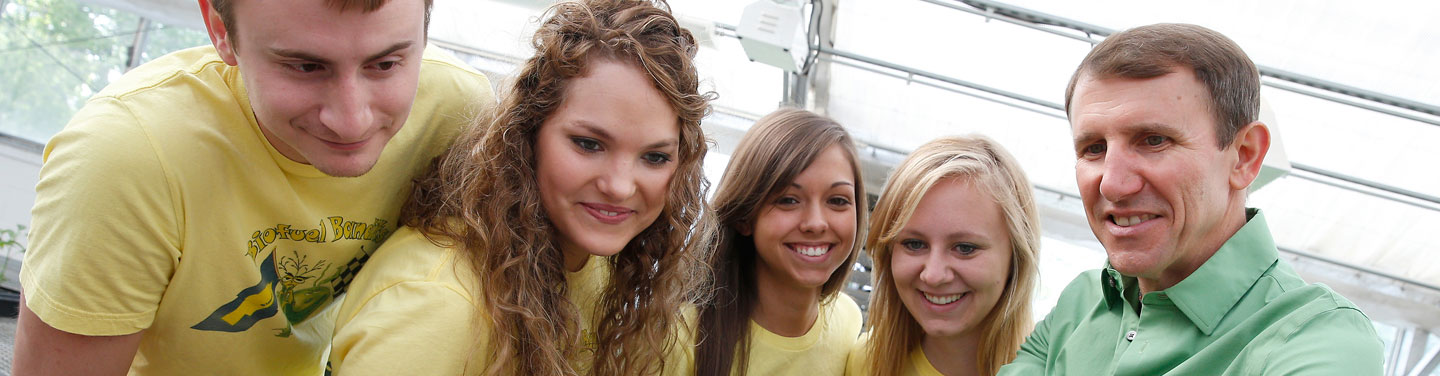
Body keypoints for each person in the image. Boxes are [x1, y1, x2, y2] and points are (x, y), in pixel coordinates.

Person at [13, 0, 493, 374]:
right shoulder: (127, 158)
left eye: (386, 64)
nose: (352, 121)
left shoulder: (457, 116)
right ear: (221, 31)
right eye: (305, 67)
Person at [326, 0, 713, 374]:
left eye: (655, 157)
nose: (618, 186)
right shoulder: (439, 303)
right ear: (526, 134)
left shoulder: (598, 265)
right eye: (589, 144)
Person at [998, 23, 1384, 375]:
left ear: (1244, 156)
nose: (1112, 185)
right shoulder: (1084, 300)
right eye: (1094, 148)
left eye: (1154, 140)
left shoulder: (1320, 338)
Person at [692, 107, 866, 376]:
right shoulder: (679, 336)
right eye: (788, 200)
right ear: (744, 217)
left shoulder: (848, 321)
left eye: (837, 201)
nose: (816, 223)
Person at [847, 135, 1040, 376]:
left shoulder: (1057, 369)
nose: (934, 275)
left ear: (1016, 257)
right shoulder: (866, 363)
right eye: (914, 244)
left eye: (965, 248)